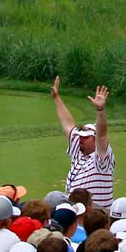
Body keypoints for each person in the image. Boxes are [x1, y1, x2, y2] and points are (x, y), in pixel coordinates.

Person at [51, 77, 113, 207]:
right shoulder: (79, 152)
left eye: (85, 137)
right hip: (76, 212)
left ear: (94, 139)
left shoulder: (101, 159)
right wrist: (56, 98)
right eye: (80, 136)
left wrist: (100, 111)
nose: (80, 139)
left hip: (97, 217)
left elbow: (102, 136)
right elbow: (68, 125)